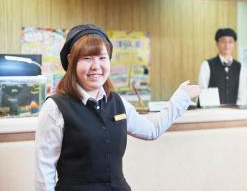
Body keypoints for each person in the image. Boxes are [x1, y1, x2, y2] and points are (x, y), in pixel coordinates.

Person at [35, 24, 201, 191]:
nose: (96, 66)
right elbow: (44, 173)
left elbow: (151, 129)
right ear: (71, 60)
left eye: (102, 58)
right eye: (87, 58)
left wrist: (181, 98)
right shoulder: (55, 107)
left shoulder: (117, 101)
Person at [198, 28, 247, 105]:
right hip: (212, 113)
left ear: (234, 44)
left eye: (230, 41)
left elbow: (242, 95)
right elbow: (202, 92)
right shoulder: (207, 65)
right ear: (217, 43)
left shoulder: (240, 67)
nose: (227, 45)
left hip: (234, 114)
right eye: (223, 41)